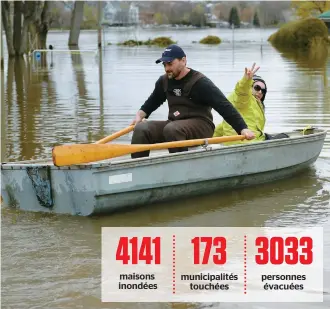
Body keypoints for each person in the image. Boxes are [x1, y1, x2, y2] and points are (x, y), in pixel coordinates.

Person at [130, 44, 255, 158]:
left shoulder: (201, 82)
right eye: (164, 65)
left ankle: (181, 168)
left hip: (202, 126)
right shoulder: (164, 81)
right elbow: (152, 102)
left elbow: (224, 106)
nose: (167, 68)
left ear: (183, 60)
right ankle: (135, 171)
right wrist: (139, 116)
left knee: (172, 129)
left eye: (170, 63)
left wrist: (242, 128)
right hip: (175, 124)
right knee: (142, 128)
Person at [213, 63, 268, 145]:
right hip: (247, 143)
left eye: (263, 90)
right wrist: (246, 81)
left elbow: (224, 125)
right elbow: (242, 92)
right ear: (249, 86)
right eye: (257, 87)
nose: (260, 92)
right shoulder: (244, 98)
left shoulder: (255, 103)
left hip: (244, 141)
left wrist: (212, 138)